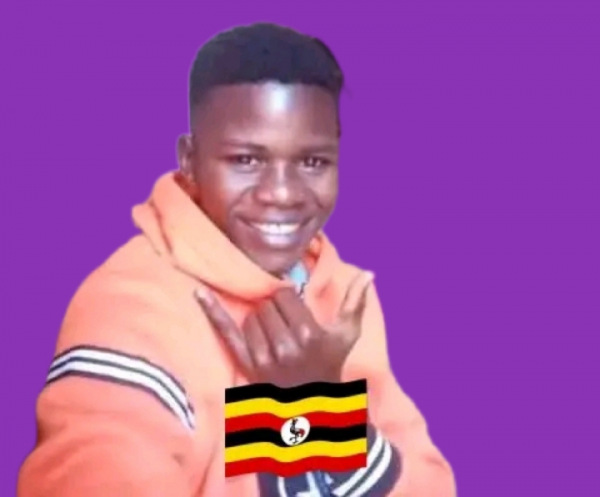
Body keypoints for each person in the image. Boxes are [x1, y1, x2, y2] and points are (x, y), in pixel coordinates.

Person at [17, 23, 456, 497]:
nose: (282, 194)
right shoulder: (130, 308)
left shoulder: (345, 299)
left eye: (312, 162)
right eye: (247, 160)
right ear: (189, 160)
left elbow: (431, 488)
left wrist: (318, 408)